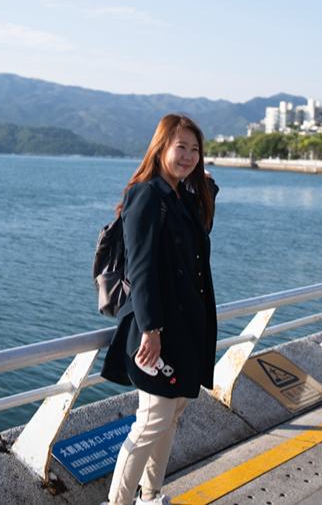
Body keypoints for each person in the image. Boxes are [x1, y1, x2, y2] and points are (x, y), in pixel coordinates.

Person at [100, 114, 219, 505]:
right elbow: (142, 265)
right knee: (151, 422)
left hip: (182, 329)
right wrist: (150, 328)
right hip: (156, 331)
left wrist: (205, 192)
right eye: (179, 147)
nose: (187, 155)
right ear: (161, 148)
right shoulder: (147, 194)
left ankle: (150, 497)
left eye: (194, 149)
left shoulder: (181, 196)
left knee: (170, 418)